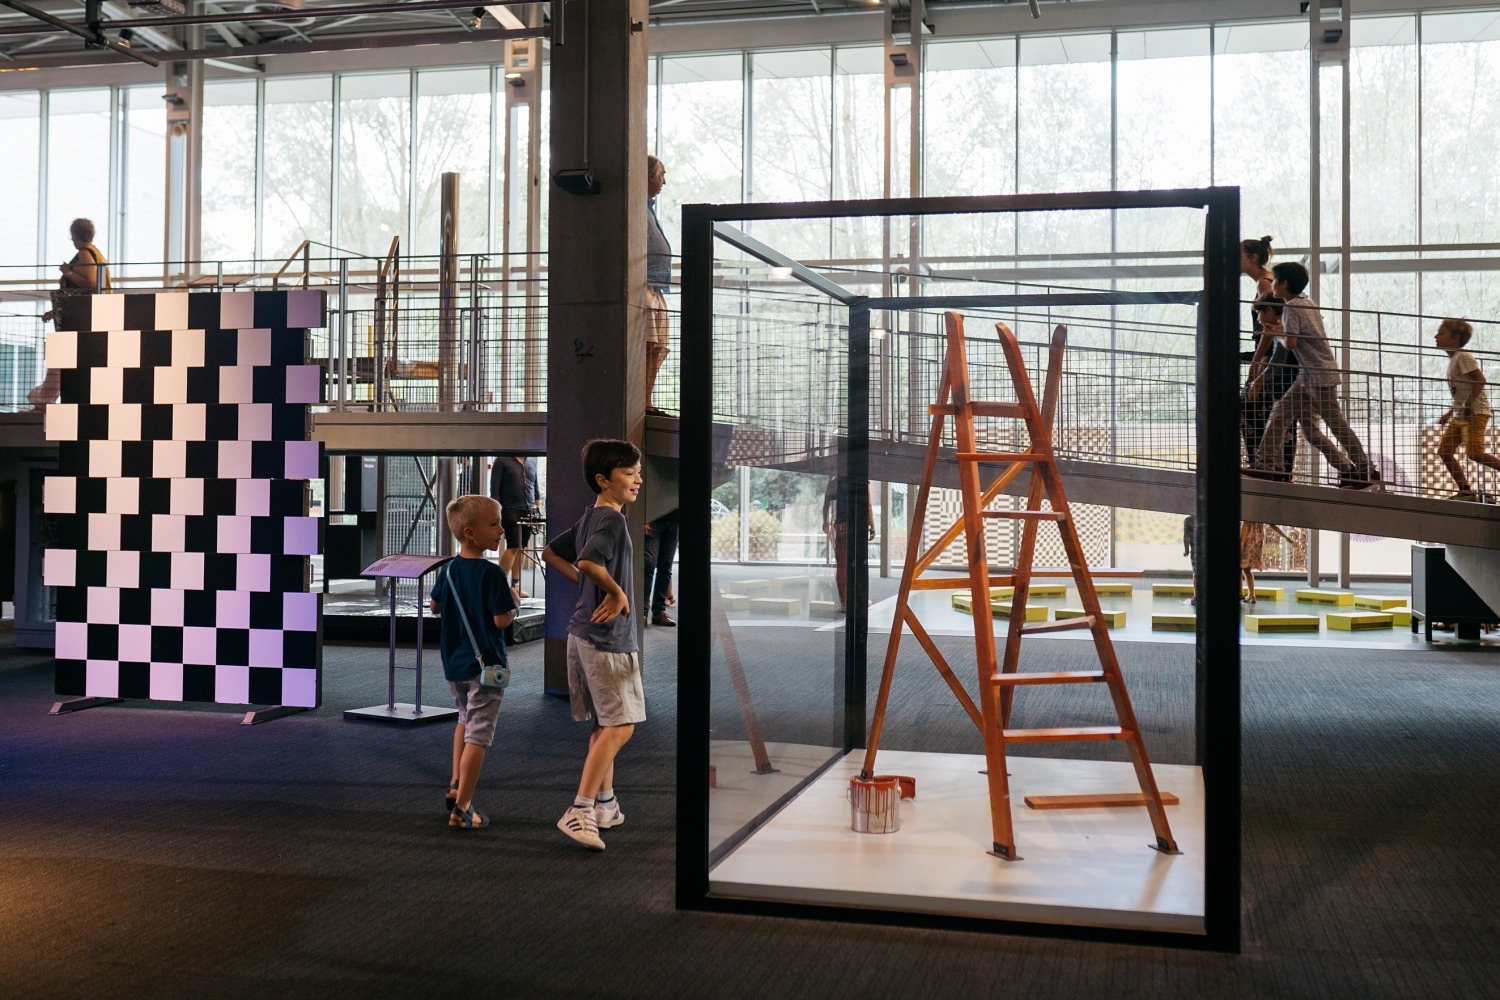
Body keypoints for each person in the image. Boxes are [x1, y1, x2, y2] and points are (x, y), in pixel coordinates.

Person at [542, 439, 645, 851]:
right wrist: (616, 594)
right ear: (604, 480)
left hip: (584, 634)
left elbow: (552, 554)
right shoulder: (612, 521)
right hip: (605, 639)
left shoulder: (592, 516)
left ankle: (605, 804)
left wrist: (590, 589)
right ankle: (580, 810)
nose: (638, 479)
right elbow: (586, 562)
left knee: (606, 725)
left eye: (638, 472)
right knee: (621, 727)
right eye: (628, 473)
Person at [429, 495, 519, 831]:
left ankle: (456, 783)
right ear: (470, 532)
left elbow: (435, 606)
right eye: (494, 524)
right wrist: (512, 605)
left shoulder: (449, 569)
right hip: (486, 668)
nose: (501, 530)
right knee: (479, 734)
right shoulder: (492, 573)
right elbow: (500, 621)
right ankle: (464, 808)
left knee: (463, 719)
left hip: (454, 665)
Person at [1248, 261, 1379, 490]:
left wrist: (1278, 334)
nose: (1273, 284)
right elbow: (1288, 348)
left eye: (1275, 280)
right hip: (1308, 377)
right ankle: (1265, 465)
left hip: (1319, 376)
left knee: (1336, 424)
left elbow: (1290, 343)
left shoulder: (1291, 307)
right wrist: (1261, 373)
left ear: (1284, 283)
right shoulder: (1307, 303)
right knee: (1286, 417)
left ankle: (1365, 468)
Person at [30, 217, 110, 408]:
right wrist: (54, 311)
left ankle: (43, 401)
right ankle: (43, 400)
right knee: (62, 360)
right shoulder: (95, 253)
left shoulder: (85, 253)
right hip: (83, 316)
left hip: (78, 320)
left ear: (74, 234)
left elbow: (90, 283)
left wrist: (68, 272)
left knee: (60, 359)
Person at [1433, 318, 1500, 501]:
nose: (1435, 337)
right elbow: (1461, 392)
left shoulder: (1463, 357)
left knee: (1474, 452)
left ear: (1455, 339)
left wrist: (1469, 406)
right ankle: (1465, 490)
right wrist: (1450, 412)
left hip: (1475, 412)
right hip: (1462, 413)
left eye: (1441, 333)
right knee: (1444, 451)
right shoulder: (1455, 359)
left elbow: (1480, 380)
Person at [1243, 293, 1300, 473]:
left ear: (1268, 310)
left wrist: (1259, 380)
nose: (1258, 320)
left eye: (1258, 313)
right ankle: (1273, 467)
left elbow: (1278, 360)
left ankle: (1269, 467)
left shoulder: (1285, 325)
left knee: (1280, 424)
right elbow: (1268, 340)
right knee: (1284, 425)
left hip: (1290, 383)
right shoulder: (1277, 325)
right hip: (1286, 383)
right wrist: (1255, 363)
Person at [644, 154, 672, 416]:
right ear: (649, 175)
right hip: (644, 286)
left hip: (656, 285)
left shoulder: (648, 208)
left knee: (658, 346)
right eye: (661, 174)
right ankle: (643, 402)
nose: (664, 180)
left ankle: (648, 400)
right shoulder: (636, 207)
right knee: (648, 345)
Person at [822, 475, 874, 613]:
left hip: (841, 526)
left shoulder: (834, 482)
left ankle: (844, 602)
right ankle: (859, 599)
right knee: (859, 564)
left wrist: (825, 521)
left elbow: (826, 503)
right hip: (858, 525)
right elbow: (868, 505)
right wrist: (872, 527)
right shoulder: (861, 479)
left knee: (842, 565)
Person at [489, 456, 532, 596]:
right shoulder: (502, 460)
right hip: (509, 509)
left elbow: (534, 488)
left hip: (528, 511)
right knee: (513, 546)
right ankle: (498, 585)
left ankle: (516, 585)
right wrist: (496, 513)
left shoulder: (531, 462)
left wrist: (536, 506)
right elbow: (494, 488)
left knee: (523, 547)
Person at [1239, 521, 1293, 605]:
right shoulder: (1262, 511)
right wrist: (1287, 538)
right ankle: (1252, 596)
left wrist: (1241, 542)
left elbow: (1245, 523)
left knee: (1241, 567)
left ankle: (1240, 594)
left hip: (1247, 539)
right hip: (1257, 541)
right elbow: (1273, 524)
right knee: (1247, 569)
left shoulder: (1249, 509)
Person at [643, 508, 679, 627]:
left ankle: (659, 612)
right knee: (648, 566)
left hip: (675, 519)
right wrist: (644, 517)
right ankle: (642, 613)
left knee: (666, 567)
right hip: (653, 519)